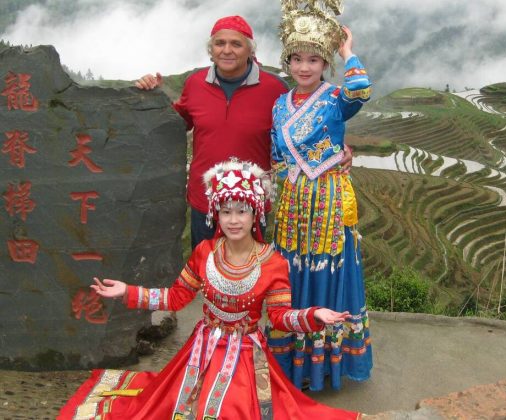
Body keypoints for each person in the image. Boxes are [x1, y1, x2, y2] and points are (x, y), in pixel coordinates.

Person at [57, 160, 361, 419]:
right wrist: (128, 292)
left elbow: (279, 317)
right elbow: (176, 297)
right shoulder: (205, 251)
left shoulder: (273, 263)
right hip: (201, 350)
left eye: (241, 211)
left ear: (256, 214)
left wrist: (313, 315)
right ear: (215, 214)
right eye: (225, 211)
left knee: (232, 409)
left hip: (245, 354)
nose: (233, 220)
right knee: (171, 406)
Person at [135, 15, 352, 250]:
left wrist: (339, 149)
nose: (227, 50)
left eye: (236, 44)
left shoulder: (274, 89)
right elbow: (174, 125)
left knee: (248, 275)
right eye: (220, 43)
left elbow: (307, 125)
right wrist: (152, 96)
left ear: (250, 50)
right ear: (211, 49)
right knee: (205, 268)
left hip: (252, 200)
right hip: (205, 199)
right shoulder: (195, 84)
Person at [267, 0, 372, 392]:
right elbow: (276, 154)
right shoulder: (280, 104)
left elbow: (361, 90)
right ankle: (292, 362)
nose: (304, 67)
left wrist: (348, 51)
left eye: (314, 59)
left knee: (327, 270)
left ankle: (325, 364)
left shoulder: (334, 99)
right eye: (296, 59)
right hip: (294, 201)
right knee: (292, 273)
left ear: (325, 63)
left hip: (327, 198)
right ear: (288, 62)